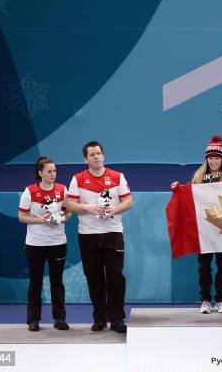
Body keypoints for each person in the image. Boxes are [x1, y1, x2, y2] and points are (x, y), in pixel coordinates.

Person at [172, 102, 222, 314]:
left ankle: (220, 300)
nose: (213, 161)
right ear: (207, 159)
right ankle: (205, 300)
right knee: (204, 266)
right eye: (211, 158)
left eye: (217, 158)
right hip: (204, 228)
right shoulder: (197, 177)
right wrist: (178, 189)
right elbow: (189, 198)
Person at [67, 142, 133, 333]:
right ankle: (100, 319)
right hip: (88, 235)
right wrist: (88, 207)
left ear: (103, 156)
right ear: (85, 159)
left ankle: (117, 319)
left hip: (112, 233)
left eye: (98, 153)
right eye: (92, 155)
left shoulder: (117, 176)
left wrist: (115, 208)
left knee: (116, 277)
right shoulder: (78, 179)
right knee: (94, 279)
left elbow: (129, 201)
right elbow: (70, 205)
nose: (96, 157)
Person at [18, 156, 71, 332]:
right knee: (35, 282)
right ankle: (33, 320)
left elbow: (68, 213)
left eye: (55, 170)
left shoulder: (63, 190)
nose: (53, 174)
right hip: (35, 243)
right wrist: (41, 220)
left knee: (57, 281)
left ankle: (59, 318)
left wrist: (60, 218)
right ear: (40, 173)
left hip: (57, 242)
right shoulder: (30, 191)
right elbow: (22, 217)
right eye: (49, 171)